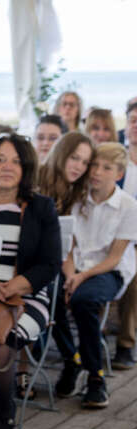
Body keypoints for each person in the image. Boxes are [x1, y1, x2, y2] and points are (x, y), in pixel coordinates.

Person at [0, 133, 61, 429]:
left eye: (16, 161)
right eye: (0, 159)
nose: (7, 167)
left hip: (28, 296)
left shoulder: (41, 208)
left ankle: (4, 409)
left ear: (26, 167)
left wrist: (11, 286)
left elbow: (50, 263)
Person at [53, 143, 137, 407]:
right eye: (95, 166)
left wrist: (81, 277)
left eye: (106, 168)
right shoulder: (76, 199)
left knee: (84, 300)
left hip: (108, 271)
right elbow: (68, 247)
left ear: (119, 173)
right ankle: (71, 359)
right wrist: (70, 276)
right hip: (74, 266)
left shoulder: (128, 206)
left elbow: (114, 257)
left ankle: (96, 376)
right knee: (50, 294)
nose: (97, 172)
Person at [116, 102, 137, 370]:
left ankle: (126, 343)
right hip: (117, 238)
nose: (136, 125)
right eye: (132, 120)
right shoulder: (116, 162)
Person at [37, 131, 95, 215]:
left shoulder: (76, 191)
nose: (79, 167)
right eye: (74, 158)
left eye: (85, 163)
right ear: (61, 154)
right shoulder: (34, 179)